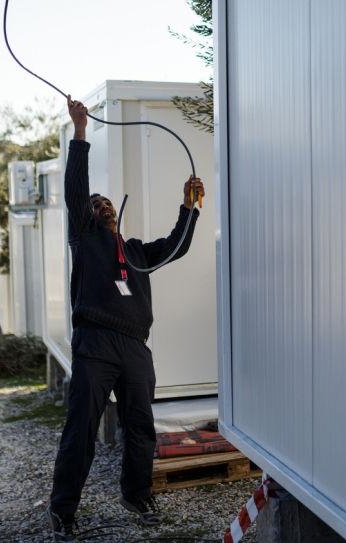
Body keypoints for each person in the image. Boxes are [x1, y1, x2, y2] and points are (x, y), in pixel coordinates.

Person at [47, 95, 204, 542]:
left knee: (141, 427)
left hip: (135, 346)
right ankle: (63, 512)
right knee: (81, 428)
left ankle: (137, 496)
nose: (99, 204)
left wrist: (189, 207)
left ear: (116, 212)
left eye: (105, 202)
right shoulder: (84, 237)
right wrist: (80, 135)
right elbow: (77, 191)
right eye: (94, 203)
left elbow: (177, 246)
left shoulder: (134, 250)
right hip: (95, 342)